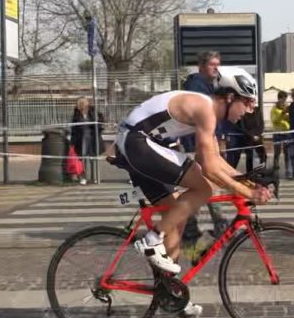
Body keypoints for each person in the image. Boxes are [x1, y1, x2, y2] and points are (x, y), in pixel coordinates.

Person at [114, 67, 271, 297]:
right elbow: (208, 167)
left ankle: (172, 294)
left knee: (174, 223)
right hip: (137, 143)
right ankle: (150, 240)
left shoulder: (208, 112)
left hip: (136, 144)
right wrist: (247, 193)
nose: (250, 110)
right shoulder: (205, 109)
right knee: (204, 188)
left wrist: (248, 183)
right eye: (247, 102)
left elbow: (215, 160)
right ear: (230, 97)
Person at [180, 50, 229, 249]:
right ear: (201, 66)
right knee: (207, 184)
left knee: (205, 185)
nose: (216, 68)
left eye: (218, 64)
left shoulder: (210, 86)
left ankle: (194, 226)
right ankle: (218, 225)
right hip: (196, 143)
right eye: (212, 64)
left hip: (206, 141)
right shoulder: (196, 86)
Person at [70, 97, 104, 185]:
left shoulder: (93, 111)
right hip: (81, 139)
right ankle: (83, 177)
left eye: (83, 104)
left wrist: (99, 125)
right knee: (82, 158)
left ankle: (94, 177)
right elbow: (74, 128)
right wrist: (72, 141)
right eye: (80, 104)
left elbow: (100, 122)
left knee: (93, 158)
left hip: (92, 138)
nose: (82, 106)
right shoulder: (76, 113)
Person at [271, 90, 291, 179]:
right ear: (279, 99)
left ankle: (288, 171)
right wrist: (282, 113)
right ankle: (275, 170)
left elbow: (289, 119)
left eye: (285, 100)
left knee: (287, 153)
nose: (284, 102)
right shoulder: (274, 109)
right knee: (277, 153)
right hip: (277, 133)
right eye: (282, 100)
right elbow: (274, 120)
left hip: (286, 133)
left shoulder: (286, 107)